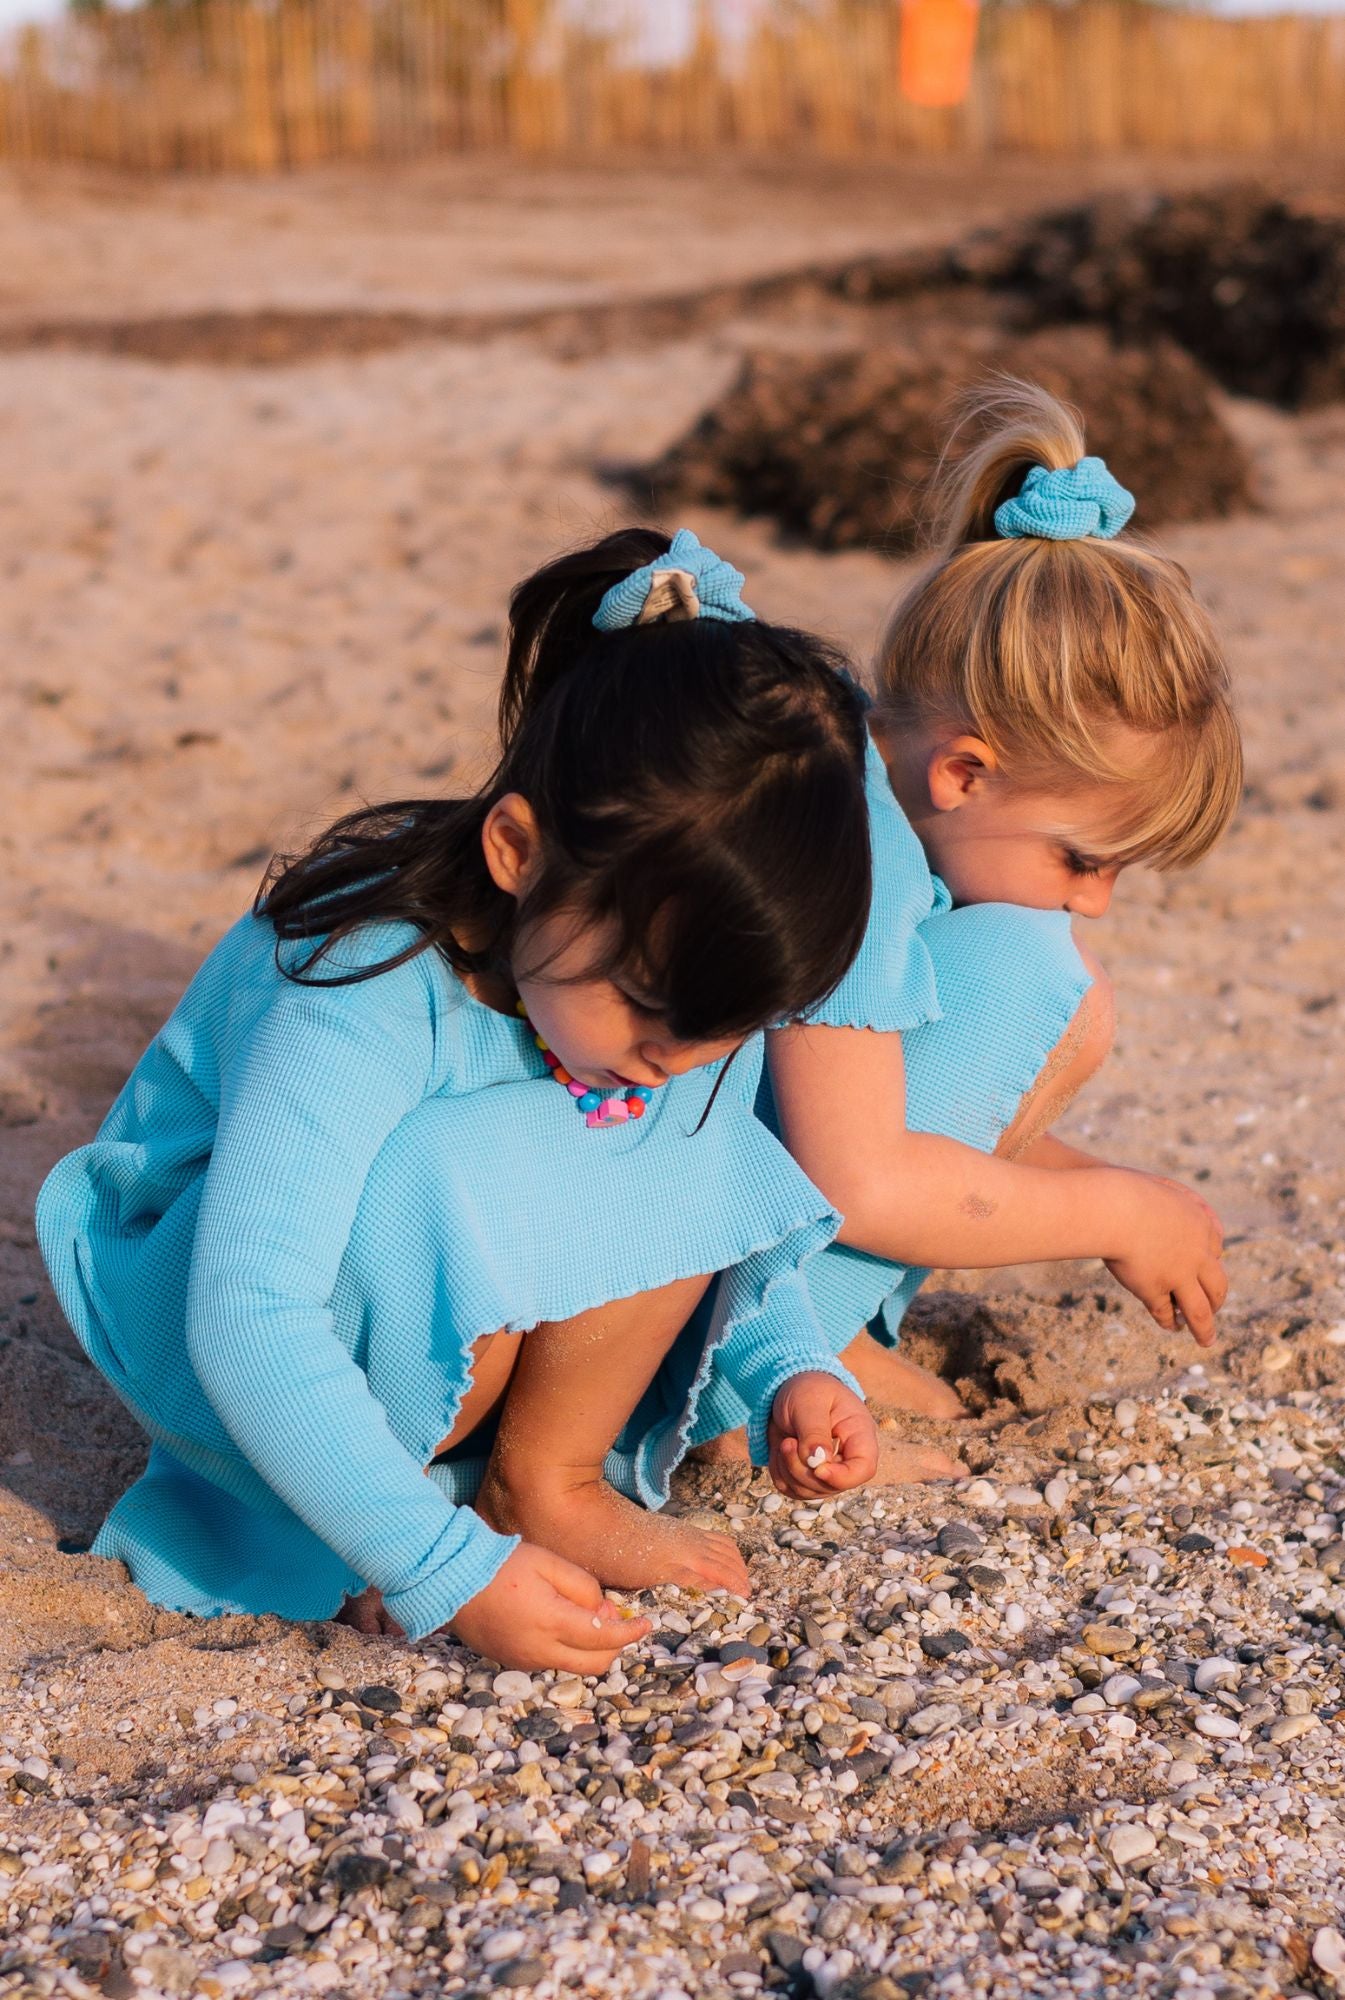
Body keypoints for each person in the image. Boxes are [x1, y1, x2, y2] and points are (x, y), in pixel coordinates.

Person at [36, 527, 880, 1674]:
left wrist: (789, 1359)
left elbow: (703, 1163)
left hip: (409, 1298)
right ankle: (400, 1512)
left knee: (657, 1117)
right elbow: (246, 1306)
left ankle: (548, 1476)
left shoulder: (658, 1011)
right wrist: (434, 1563)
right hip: (228, 1324)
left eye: (720, 1032)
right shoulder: (362, 983)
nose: (673, 1055)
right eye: (641, 1007)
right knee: (444, 1160)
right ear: (517, 850)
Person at [693, 385, 1240, 1487]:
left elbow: (852, 1092)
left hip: (690, 1185)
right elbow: (857, 1173)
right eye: (1084, 858)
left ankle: (824, 1336)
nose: (1094, 900)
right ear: (964, 770)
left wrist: (1123, 1198)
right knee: (1040, 974)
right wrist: (1116, 1207)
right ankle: (731, 1395)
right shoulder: (848, 854)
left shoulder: (847, 767)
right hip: (665, 1265)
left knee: (1056, 980)